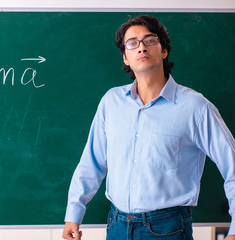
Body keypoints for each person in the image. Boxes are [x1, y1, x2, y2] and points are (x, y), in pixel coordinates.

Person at [62, 15, 235, 240]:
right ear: (125, 57)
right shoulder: (111, 102)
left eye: (150, 40)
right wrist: (73, 214)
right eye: (132, 43)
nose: (141, 47)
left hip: (168, 229)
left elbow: (232, 165)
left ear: (163, 50)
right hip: (116, 225)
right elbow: (91, 163)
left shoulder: (195, 107)